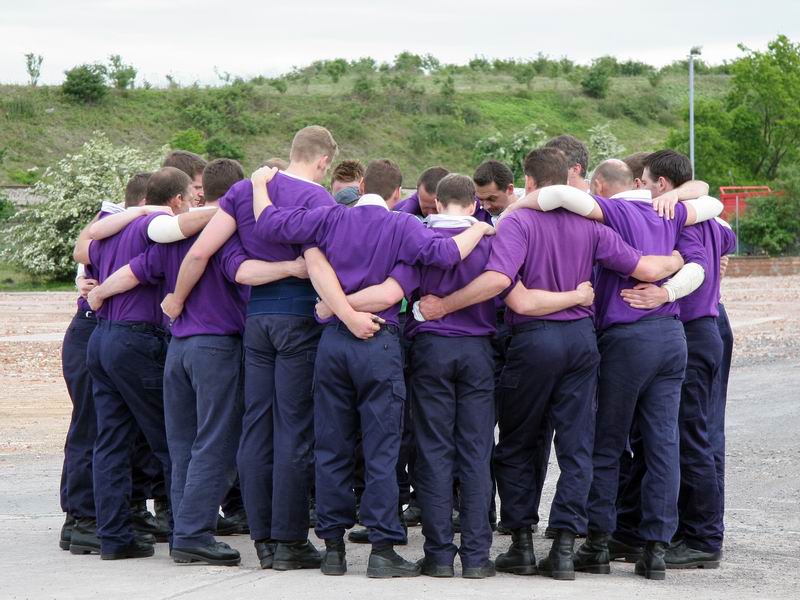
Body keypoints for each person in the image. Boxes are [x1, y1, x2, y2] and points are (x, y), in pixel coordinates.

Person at [417, 148, 685, 580]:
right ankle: (562, 547)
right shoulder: (592, 226)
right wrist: (675, 261)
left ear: (528, 181)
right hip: (581, 341)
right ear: (566, 180)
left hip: (533, 341)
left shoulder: (518, 222)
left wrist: (444, 306)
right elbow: (640, 266)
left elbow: (510, 291)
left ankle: (521, 543)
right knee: (576, 446)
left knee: (519, 442)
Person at [250, 158, 494, 577]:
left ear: (360, 186)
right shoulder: (403, 226)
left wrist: (259, 185)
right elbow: (447, 253)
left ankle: (332, 550)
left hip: (332, 344)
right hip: (378, 340)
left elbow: (270, 224)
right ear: (398, 194)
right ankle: (382, 550)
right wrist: (479, 228)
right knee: (381, 450)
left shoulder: (329, 218)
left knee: (331, 446)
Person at [512, 154, 722, 580]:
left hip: (626, 339)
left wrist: (517, 207)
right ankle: (656, 548)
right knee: (663, 444)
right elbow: (710, 214)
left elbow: (557, 195)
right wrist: (667, 293)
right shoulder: (671, 211)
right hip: (671, 337)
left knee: (607, 444)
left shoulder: (613, 210)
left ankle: (598, 543)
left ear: (602, 186)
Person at [160, 126, 338, 571]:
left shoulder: (242, 192)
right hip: (299, 318)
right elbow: (321, 265)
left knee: (256, 428)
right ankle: (290, 539)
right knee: (293, 429)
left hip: (256, 321)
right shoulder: (319, 199)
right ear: (323, 160)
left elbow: (201, 255)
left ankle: (262, 540)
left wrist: (177, 300)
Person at [70, 167, 206, 560]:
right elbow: (156, 257)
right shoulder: (157, 228)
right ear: (176, 200)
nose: (194, 203)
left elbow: (86, 246)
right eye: (190, 197)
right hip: (137, 339)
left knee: (111, 441)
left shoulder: (110, 230)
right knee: (170, 439)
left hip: (101, 337)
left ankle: (113, 536)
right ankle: (185, 533)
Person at [616, 151, 737, 569]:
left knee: (688, 437)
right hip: (705, 329)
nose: (642, 190)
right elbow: (726, 239)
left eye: (646, 182)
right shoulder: (710, 219)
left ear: (662, 185)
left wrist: (664, 293)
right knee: (677, 435)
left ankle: (703, 537)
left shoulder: (677, 220)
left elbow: (699, 264)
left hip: (691, 329)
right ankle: (647, 529)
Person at [396, 166, 493, 223]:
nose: (430, 214)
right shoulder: (402, 210)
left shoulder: (480, 211)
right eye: (425, 208)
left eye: (435, 208)